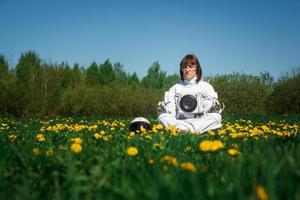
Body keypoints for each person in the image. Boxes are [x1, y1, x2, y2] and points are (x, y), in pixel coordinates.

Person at [157, 54, 223, 133]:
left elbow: (209, 111)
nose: (187, 70)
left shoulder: (206, 87)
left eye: (190, 67)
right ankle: (193, 130)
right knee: (162, 116)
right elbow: (170, 113)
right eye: (184, 67)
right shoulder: (174, 88)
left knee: (216, 116)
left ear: (197, 69)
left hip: (201, 122)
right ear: (181, 69)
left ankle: (186, 129)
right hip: (179, 122)